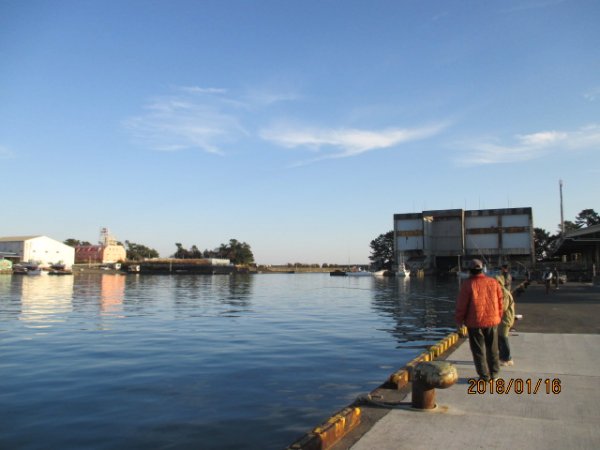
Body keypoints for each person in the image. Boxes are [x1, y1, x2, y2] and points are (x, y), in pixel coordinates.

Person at [455, 259, 504, 381]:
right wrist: (499, 315)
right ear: (482, 269)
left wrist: (459, 321)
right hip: (492, 321)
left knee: (478, 351)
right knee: (493, 349)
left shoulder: (467, 284)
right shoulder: (493, 282)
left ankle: (484, 376)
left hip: (474, 322)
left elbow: (462, 305)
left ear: (470, 271)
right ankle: (495, 374)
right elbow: (500, 301)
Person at [495, 275, 515, 366]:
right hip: (502, 319)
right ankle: (503, 357)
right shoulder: (500, 291)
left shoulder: (503, 292)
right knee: (500, 337)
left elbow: (503, 307)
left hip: (505, 319)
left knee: (503, 337)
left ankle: (507, 358)